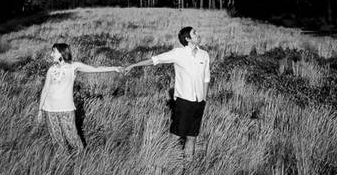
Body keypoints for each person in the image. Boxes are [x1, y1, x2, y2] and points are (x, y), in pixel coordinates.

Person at [125, 26, 210, 160]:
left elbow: (206, 79)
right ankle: (165, 162)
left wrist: (203, 99)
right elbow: (155, 60)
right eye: (194, 33)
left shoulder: (204, 55)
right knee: (175, 136)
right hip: (184, 101)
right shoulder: (177, 53)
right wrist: (133, 65)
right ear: (187, 38)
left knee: (192, 137)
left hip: (199, 102)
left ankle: (189, 167)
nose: (198, 34)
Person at [38, 43, 122, 154]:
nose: (51, 54)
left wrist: (114, 68)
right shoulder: (51, 69)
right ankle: (64, 161)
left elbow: (96, 69)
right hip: (49, 109)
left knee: (72, 137)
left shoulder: (74, 66)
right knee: (57, 140)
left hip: (66, 108)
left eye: (54, 52)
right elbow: (45, 89)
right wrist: (40, 109)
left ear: (62, 52)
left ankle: (82, 159)